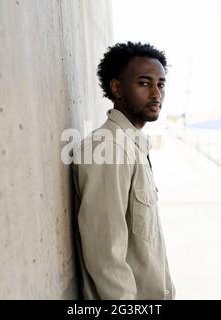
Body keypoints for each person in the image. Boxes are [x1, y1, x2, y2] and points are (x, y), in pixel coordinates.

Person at [71, 41, 175, 299]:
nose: (156, 94)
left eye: (160, 84)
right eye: (144, 83)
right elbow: (105, 254)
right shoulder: (108, 149)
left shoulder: (133, 145)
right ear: (116, 87)